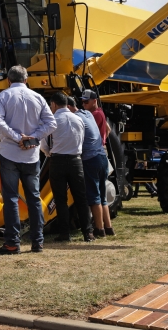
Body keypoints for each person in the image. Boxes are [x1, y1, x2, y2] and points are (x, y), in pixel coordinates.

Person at [0, 65, 57, 255]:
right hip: (31, 155)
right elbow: (51, 123)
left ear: (8, 80)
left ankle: (12, 243)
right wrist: (33, 138)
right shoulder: (37, 98)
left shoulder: (3, 96)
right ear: (26, 80)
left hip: (9, 153)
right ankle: (38, 241)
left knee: (11, 199)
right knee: (34, 198)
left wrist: (16, 137)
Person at [40, 93, 93, 242]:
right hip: (76, 161)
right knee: (81, 198)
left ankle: (65, 234)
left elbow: (44, 145)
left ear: (54, 104)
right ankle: (87, 232)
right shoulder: (79, 119)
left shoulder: (52, 121)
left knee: (60, 199)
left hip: (57, 161)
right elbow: (81, 140)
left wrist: (49, 153)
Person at [69, 96, 114, 238]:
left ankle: (99, 230)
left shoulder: (76, 118)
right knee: (102, 195)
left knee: (93, 196)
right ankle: (108, 228)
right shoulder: (89, 114)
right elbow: (108, 129)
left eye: (86, 101)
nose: (84, 104)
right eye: (82, 102)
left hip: (90, 159)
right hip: (102, 156)